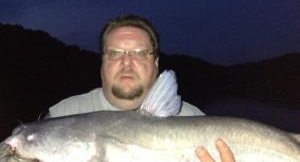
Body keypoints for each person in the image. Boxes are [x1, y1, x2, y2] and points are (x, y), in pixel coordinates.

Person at [48, 15, 235, 162]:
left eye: (140, 53)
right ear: (102, 61)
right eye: (115, 53)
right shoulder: (62, 114)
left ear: (156, 63)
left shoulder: (194, 119)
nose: (127, 63)